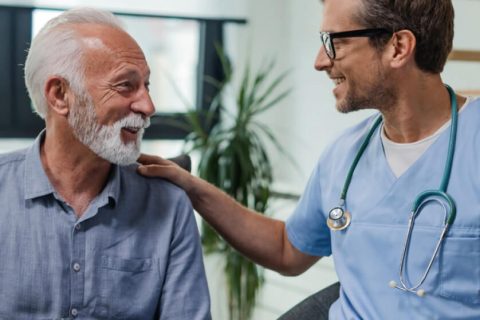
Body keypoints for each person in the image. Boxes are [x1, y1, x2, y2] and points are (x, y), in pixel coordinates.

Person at [138, 0, 480, 318]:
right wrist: (192, 188)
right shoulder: (345, 153)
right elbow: (288, 249)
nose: (320, 60)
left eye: (335, 42)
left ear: (398, 47)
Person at [0, 7, 210, 319]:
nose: (148, 106)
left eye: (146, 85)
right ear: (60, 95)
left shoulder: (169, 206)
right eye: (125, 85)